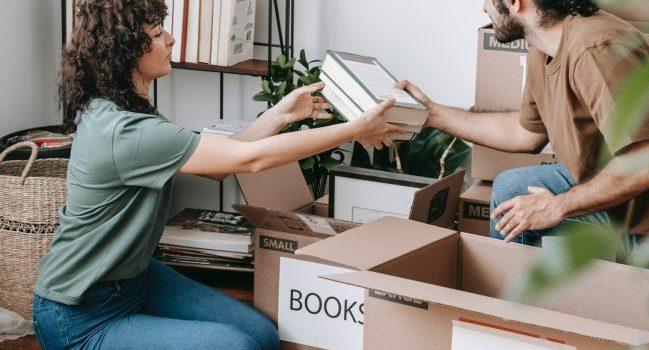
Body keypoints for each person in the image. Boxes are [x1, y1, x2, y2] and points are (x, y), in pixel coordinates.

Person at [32, 1, 402, 349]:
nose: (170, 39)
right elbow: (251, 160)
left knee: (261, 334)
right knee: (236, 346)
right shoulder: (125, 131)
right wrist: (353, 129)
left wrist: (280, 116)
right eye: (158, 33)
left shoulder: (130, 111)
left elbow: (221, 164)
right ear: (127, 49)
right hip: (80, 315)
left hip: (135, 281)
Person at [396, 0, 649, 271]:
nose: (484, 7)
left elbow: (646, 164)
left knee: (632, 330)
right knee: (511, 193)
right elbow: (523, 133)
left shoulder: (592, 49)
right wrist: (433, 116)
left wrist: (557, 206)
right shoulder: (545, 47)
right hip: (632, 202)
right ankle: (515, 322)